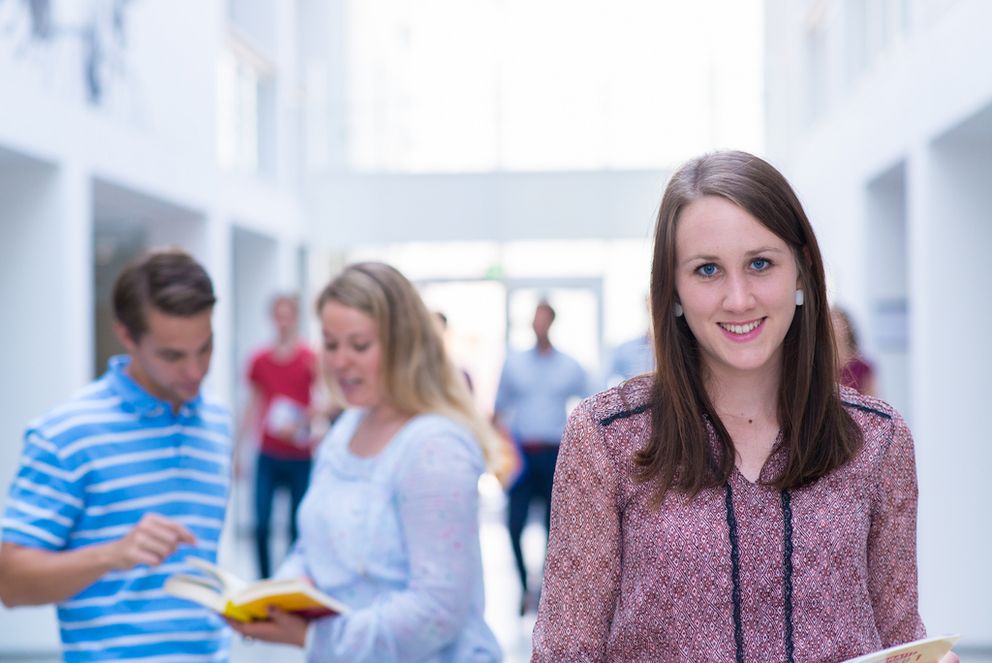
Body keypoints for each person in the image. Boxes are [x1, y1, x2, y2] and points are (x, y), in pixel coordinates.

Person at [531, 151, 958, 663]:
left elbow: (900, 635)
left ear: (801, 271)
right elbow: (565, 652)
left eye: (760, 264)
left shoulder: (876, 439)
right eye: (707, 270)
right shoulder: (608, 438)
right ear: (674, 292)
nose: (738, 299)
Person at [227, 262, 502, 662]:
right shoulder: (345, 429)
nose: (339, 362)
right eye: (331, 343)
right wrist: (278, 594)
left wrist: (313, 637)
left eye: (358, 345)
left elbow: (437, 612)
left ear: (401, 346)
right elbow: (312, 545)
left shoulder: (435, 447)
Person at [0, 249, 232, 661]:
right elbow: (9, 582)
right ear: (126, 335)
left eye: (206, 348)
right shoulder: (66, 434)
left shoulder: (217, 423)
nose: (195, 371)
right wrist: (112, 554)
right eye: (173, 355)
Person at [494, 300, 587, 614]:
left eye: (545, 320)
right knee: (515, 524)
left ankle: (546, 591)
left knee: (555, 529)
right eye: (535, 320)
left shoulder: (569, 366)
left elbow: (591, 405)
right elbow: (497, 411)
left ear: (552, 323)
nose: (539, 325)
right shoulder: (514, 364)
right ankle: (524, 588)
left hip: (554, 456)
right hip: (521, 456)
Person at [234, 294, 320, 579]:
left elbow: (323, 401)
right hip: (268, 453)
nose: (283, 322)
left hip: (300, 454)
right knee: (261, 524)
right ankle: (264, 582)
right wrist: (238, 451)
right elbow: (253, 404)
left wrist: (304, 423)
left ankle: (290, 581)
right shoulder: (260, 360)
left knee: (297, 526)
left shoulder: (310, 359)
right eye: (278, 316)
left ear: (295, 319)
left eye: (288, 316)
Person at [831, 306, 878, 397]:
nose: (832, 327)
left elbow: (873, 401)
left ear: (847, 327)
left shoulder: (863, 367)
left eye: (836, 321)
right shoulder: (820, 365)